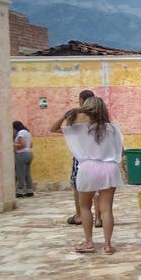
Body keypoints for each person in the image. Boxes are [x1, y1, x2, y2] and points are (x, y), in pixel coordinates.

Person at [58, 96, 123, 255]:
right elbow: (119, 149)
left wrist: (66, 114)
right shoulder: (113, 128)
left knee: (85, 207)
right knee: (107, 209)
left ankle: (89, 242)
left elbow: (53, 128)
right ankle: (108, 245)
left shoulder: (80, 128)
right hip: (109, 169)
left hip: (88, 168)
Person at [52, 89, 100, 226]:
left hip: (81, 158)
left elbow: (53, 129)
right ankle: (98, 218)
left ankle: (80, 215)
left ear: (80, 100)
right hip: (98, 157)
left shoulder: (77, 118)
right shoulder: (99, 117)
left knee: (77, 186)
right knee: (98, 188)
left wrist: (64, 116)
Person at [12, 121, 34, 198]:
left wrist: (13, 145)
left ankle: (19, 192)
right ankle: (30, 190)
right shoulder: (28, 133)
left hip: (21, 154)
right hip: (29, 154)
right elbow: (30, 145)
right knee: (27, 174)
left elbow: (22, 144)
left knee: (20, 174)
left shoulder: (20, 133)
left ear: (15, 127)